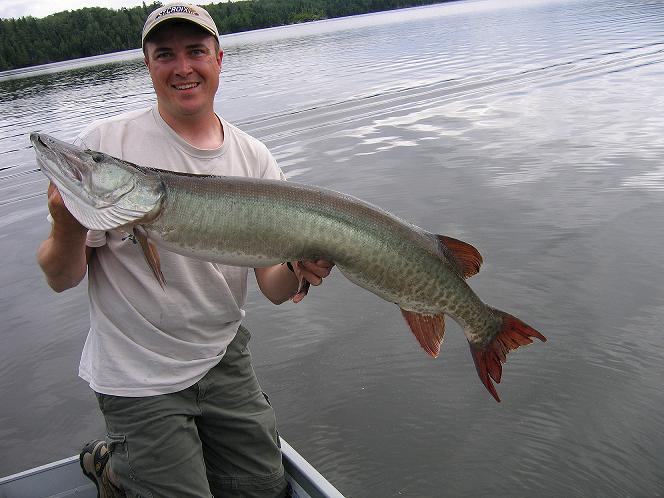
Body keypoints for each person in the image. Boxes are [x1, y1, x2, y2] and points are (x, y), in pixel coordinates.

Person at [36, 3, 333, 497]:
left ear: (218, 59)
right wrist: (67, 223)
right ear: (148, 64)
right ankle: (115, 468)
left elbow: (275, 287)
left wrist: (302, 267)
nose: (182, 67)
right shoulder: (106, 144)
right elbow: (60, 277)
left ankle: (133, 465)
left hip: (223, 356)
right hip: (137, 372)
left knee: (264, 491)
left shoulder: (252, 158)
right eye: (165, 55)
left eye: (195, 51)